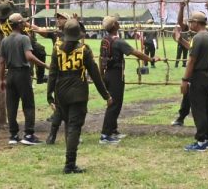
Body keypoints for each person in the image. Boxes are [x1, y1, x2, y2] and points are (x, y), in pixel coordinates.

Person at [47, 19, 112, 174]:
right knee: (74, 128)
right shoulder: (84, 50)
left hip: (61, 92)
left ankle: (68, 159)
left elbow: (52, 73)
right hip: (78, 93)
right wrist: (106, 95)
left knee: (69, 126)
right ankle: (70, 164)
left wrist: (50, 95)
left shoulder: (57, 49)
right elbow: (95, 75)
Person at [99, 15, 160, 144]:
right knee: (114, 104)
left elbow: (101, 59)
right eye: (116, 22)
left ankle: (113, 130)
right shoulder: (119, 42)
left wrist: (101, 75)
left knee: (113, 102)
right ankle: (105, 135)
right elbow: (136, 53)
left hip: (107, 74)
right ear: (114, 26)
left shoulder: (105, 40)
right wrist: (151, 59)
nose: (118, 23)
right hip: (116, 75)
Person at [0, 13, 49, 145]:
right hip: (23, 74)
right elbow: (29, 56)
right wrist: (45, 65)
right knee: (28, 104)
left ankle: (13, 135)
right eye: (23, 23)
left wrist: (1, 79)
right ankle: (28, 134)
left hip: (10, 75)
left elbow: (2, 62)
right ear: (20, 24)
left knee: (11, 105)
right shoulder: (24, 39)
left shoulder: (5, 40)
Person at [177, 10, 208, 151]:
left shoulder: (198, 38)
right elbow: (194, 50)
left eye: (191, 22)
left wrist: (185, 80)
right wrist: (180, 40)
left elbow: (192, 60)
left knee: (198, 108)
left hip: (198, 76)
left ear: (197, 23)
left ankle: (200, 141)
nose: (189, 24)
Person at [32, 11, 70, 145]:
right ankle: (53, 135)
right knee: (60, 106)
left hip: (71, 73)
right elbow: (39, 30)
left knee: (69, 106)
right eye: (57, 18)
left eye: (62, 18)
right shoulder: (55, 34)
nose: (59, 20)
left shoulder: (73, 33)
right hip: (59, 73)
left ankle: (66, 134)